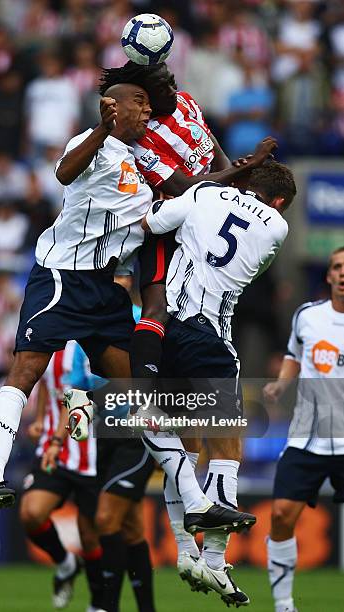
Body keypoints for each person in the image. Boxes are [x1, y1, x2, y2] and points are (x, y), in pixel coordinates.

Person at [96, 60, 267, 596]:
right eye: (157, 86)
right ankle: (138, 387)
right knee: (160, 317)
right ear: (141, 97)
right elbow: (184, 187)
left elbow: (211, 160)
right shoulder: (139, 137)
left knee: (191, 435)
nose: (169, 87)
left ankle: (198, 557)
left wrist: (234, 178)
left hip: (206, 222)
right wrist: (245, 171)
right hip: (173, 233)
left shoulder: (190, 104)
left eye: (169, 79)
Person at [0, 83, 153, 515]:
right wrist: (100, 128)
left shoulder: (143, 162)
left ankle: (84, 403)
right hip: (62, 276)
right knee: (27, 369)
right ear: (115, 108)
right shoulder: (90, 143)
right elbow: (64, 173)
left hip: (105, 287)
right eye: (140, 102)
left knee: (138, 390)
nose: (147, 111)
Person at [141, 155, 297, 607]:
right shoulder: (277, 229)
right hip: (209, 332)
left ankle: (187, 551)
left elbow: (153, 222)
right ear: (280, 201)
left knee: (179, 438)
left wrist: (196, 188)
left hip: (165, 325)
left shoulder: (205, 193)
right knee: (227, 440)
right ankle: (212, 556)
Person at [263, 247, 344, 612]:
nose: (343, 273)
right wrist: (281, 383)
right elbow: (294, 355)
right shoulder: (308, 316)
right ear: (328, 276)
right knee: (281, 514)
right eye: (337, 267)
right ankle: (284, 605)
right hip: (307, 435)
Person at [20, 341, 102, 611]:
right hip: (53, 448)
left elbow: (79, 395)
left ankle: (98, 604)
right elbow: (45, 382)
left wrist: (57, 439)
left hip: (88, 448)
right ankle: (66, 563)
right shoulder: (47, 336)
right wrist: (42, 418)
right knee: (31, 513)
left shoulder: (86, 340)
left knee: (89, 533)